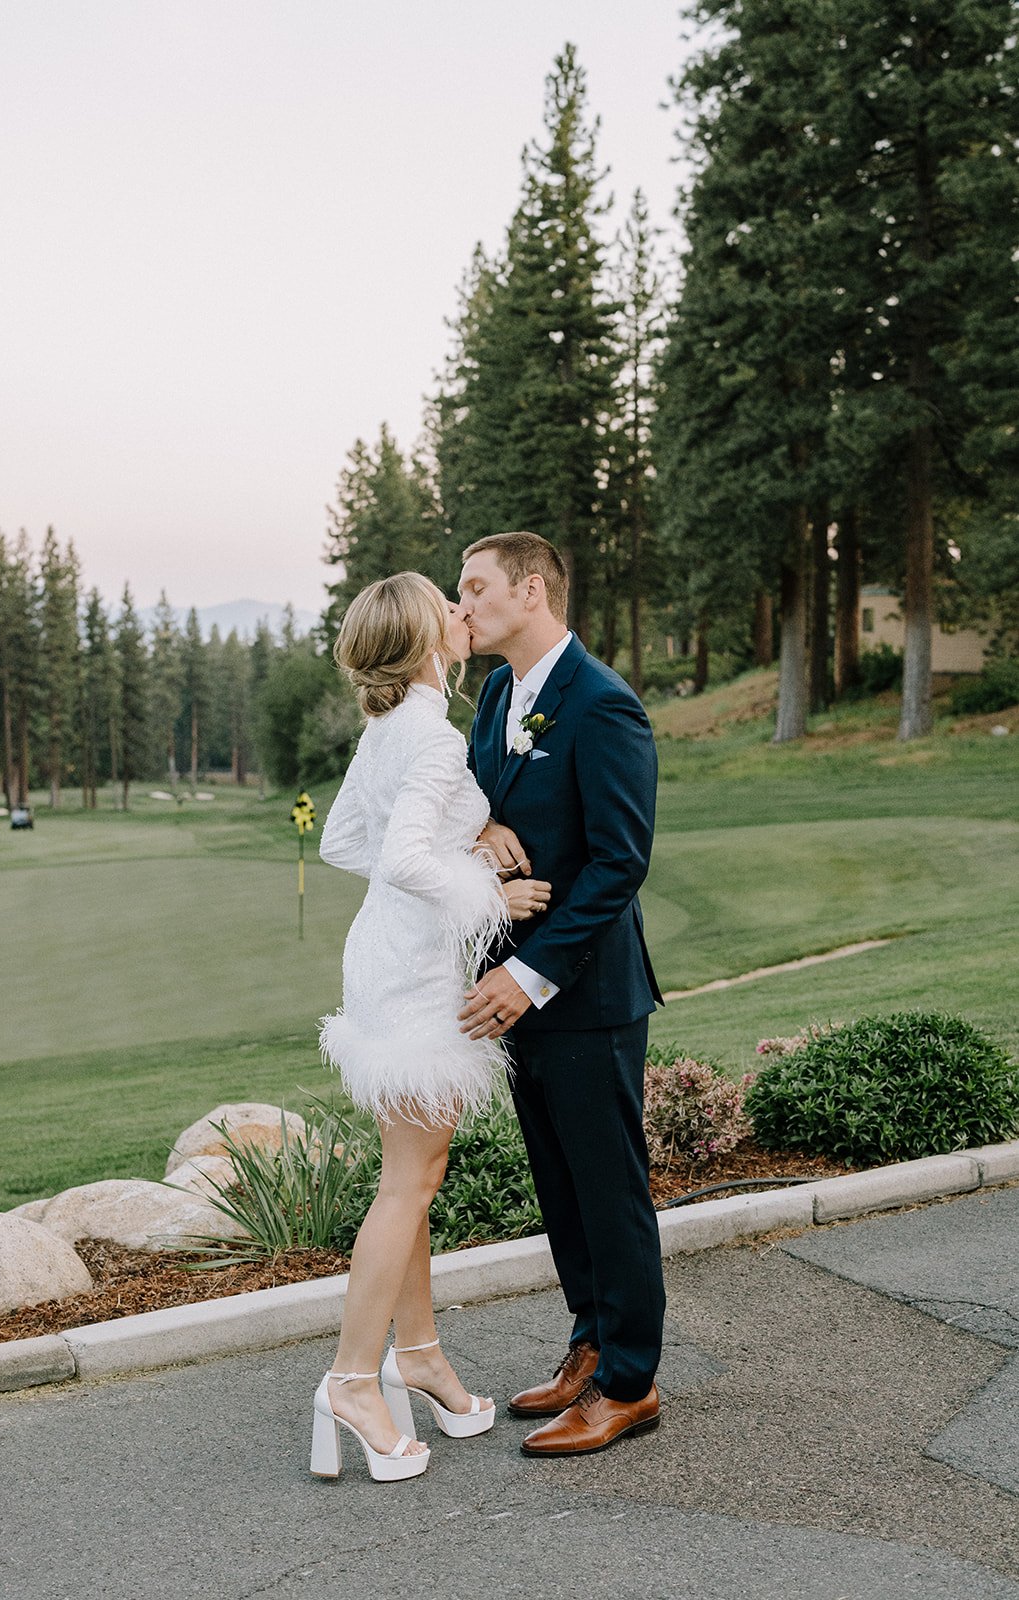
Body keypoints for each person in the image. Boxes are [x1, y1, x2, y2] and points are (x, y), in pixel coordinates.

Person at [311, 571, 552, 1483]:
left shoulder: (389, 729)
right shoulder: (435, 737)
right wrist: (488, 889)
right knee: (410, 1183)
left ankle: (417, 1357)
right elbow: (405, 855)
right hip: (411, 980)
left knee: (412, 1174)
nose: (463, 616)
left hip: (382, 964)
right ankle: (350, 1380)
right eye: (446, 609)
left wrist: (470, 834)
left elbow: (346, 844)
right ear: (420, 642)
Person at [456, 531, 666, 1458]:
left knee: (609, 1192)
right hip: (511, 992)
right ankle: (588, 1342)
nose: (460, 608)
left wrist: (528, 976)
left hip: (581, 995)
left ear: (531, 589)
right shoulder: (499, 692)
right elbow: (473, 798)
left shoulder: (603, 704)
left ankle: (630, 1383)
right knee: (561, 1188)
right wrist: (487, 820)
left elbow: (621, 863)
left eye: (474, 589)